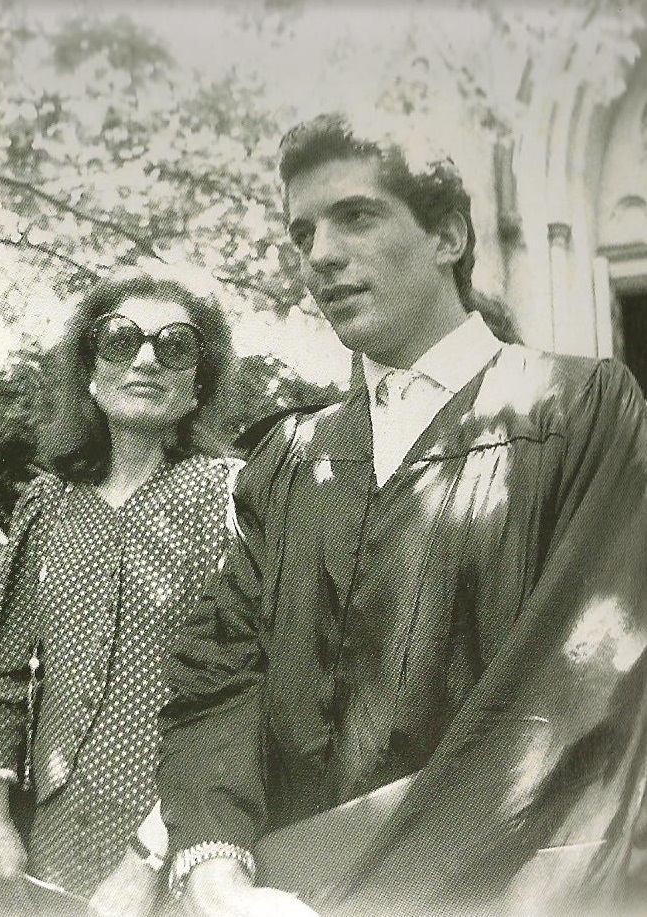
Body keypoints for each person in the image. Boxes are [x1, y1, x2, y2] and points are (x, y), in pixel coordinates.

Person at [157, 113, 647, 917]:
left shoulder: (579, 409)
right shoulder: (287, 456)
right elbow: (220, 671)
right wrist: (213, 863)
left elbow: (580, 689)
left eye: (355, 216)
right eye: (302, 233)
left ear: (447, 236)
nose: (319, 255)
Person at [0, 274, 238, 916]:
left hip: (170, 841)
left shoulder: (231, 497)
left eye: (175, 346)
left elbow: (235, 693)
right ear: (91, 373)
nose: (145, 358)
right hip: (50, 836)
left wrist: (152, 854)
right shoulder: (48, 503)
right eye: (120, 340)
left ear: (199, 383)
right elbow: (4, 672)